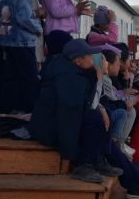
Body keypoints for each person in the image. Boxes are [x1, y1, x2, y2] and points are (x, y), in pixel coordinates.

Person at [28, 38, 123, 183]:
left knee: (104, 114)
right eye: (90, 56)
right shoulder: (67, 77)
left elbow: (88, 102)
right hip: (51, 128)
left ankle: (98, 159)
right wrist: (99, 77)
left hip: (63, 121)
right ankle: (83, 165)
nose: (95, 59)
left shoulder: (76, 70)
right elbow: (73, 115)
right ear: (78, 60)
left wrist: (102, 107)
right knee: (95, 118)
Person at [0, 0, 43, 114]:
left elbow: (5, 19)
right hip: (23, 43)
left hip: (10, 43)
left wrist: (5, 39)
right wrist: (38, 28)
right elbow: (24, 18)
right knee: (29, 79)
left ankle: (8, 110)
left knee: (12, 79)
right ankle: (30, 112)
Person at [24, 0, 47, 68]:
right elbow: (22, 14)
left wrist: (41, 15)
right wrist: (38, 13)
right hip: (27, 39)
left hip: (34, 37)